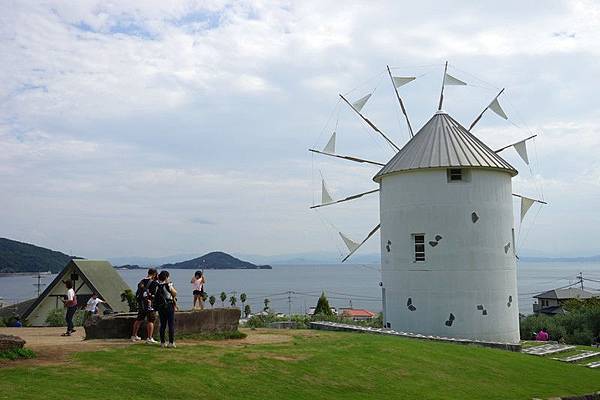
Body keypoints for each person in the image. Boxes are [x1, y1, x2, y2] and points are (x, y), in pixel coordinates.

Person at [131, 268, 159, 344]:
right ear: (154, 274)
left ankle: (134, 335)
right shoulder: (153, 283)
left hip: (141, 303)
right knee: (150, 320)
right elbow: (154, 295)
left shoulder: (141, 281)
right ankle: (149, 337)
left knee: (139, 319)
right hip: (149, 304)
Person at [155, 270, 177, 348]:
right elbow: (174, 293)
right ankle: (171, 342)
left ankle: (162, 342)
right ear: (167, 277)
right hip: (169, 305)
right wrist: (170, 285)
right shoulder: (168, 285)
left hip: (160, 307)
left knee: (162, 325)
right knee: (170, 324)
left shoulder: (157, 285)